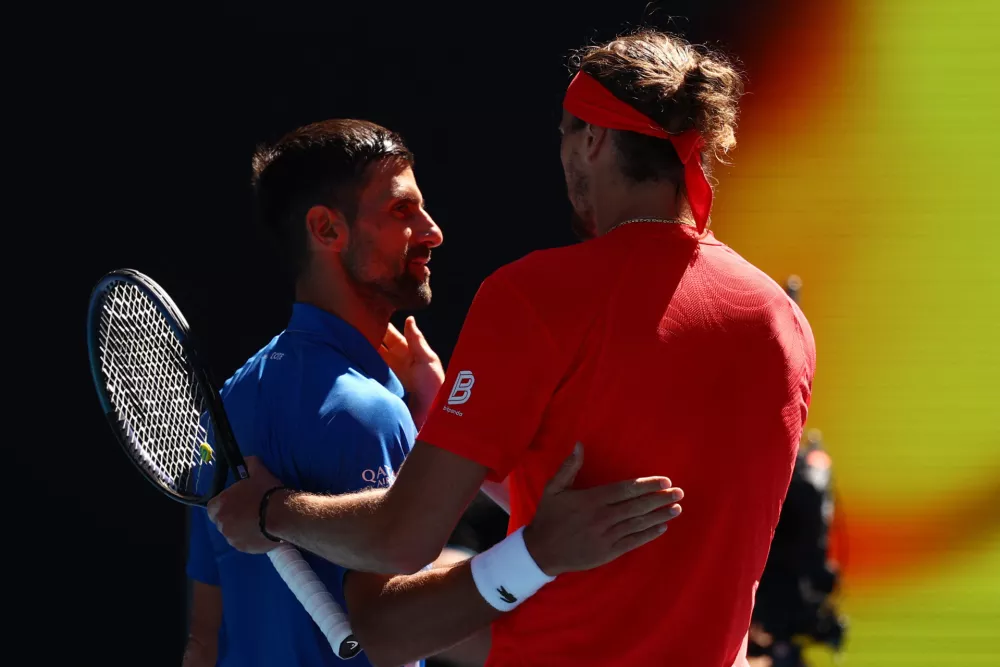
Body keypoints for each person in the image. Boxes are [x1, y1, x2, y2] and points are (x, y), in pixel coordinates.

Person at [209, 29, 817, 667]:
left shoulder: (533, 296)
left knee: (380, 611)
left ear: (594, 140)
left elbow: (398, 544)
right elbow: (612, 495)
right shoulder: (783, 322)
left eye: (563, 132)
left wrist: (274, 513)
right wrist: (440, 404)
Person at [184, 118, 684, 667]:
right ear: (327, 230)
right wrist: (538, 556)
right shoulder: (367, 413)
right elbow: (399, 624)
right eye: (402, 211)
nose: (433, 231)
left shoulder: (231, 400)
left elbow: (203, 641)